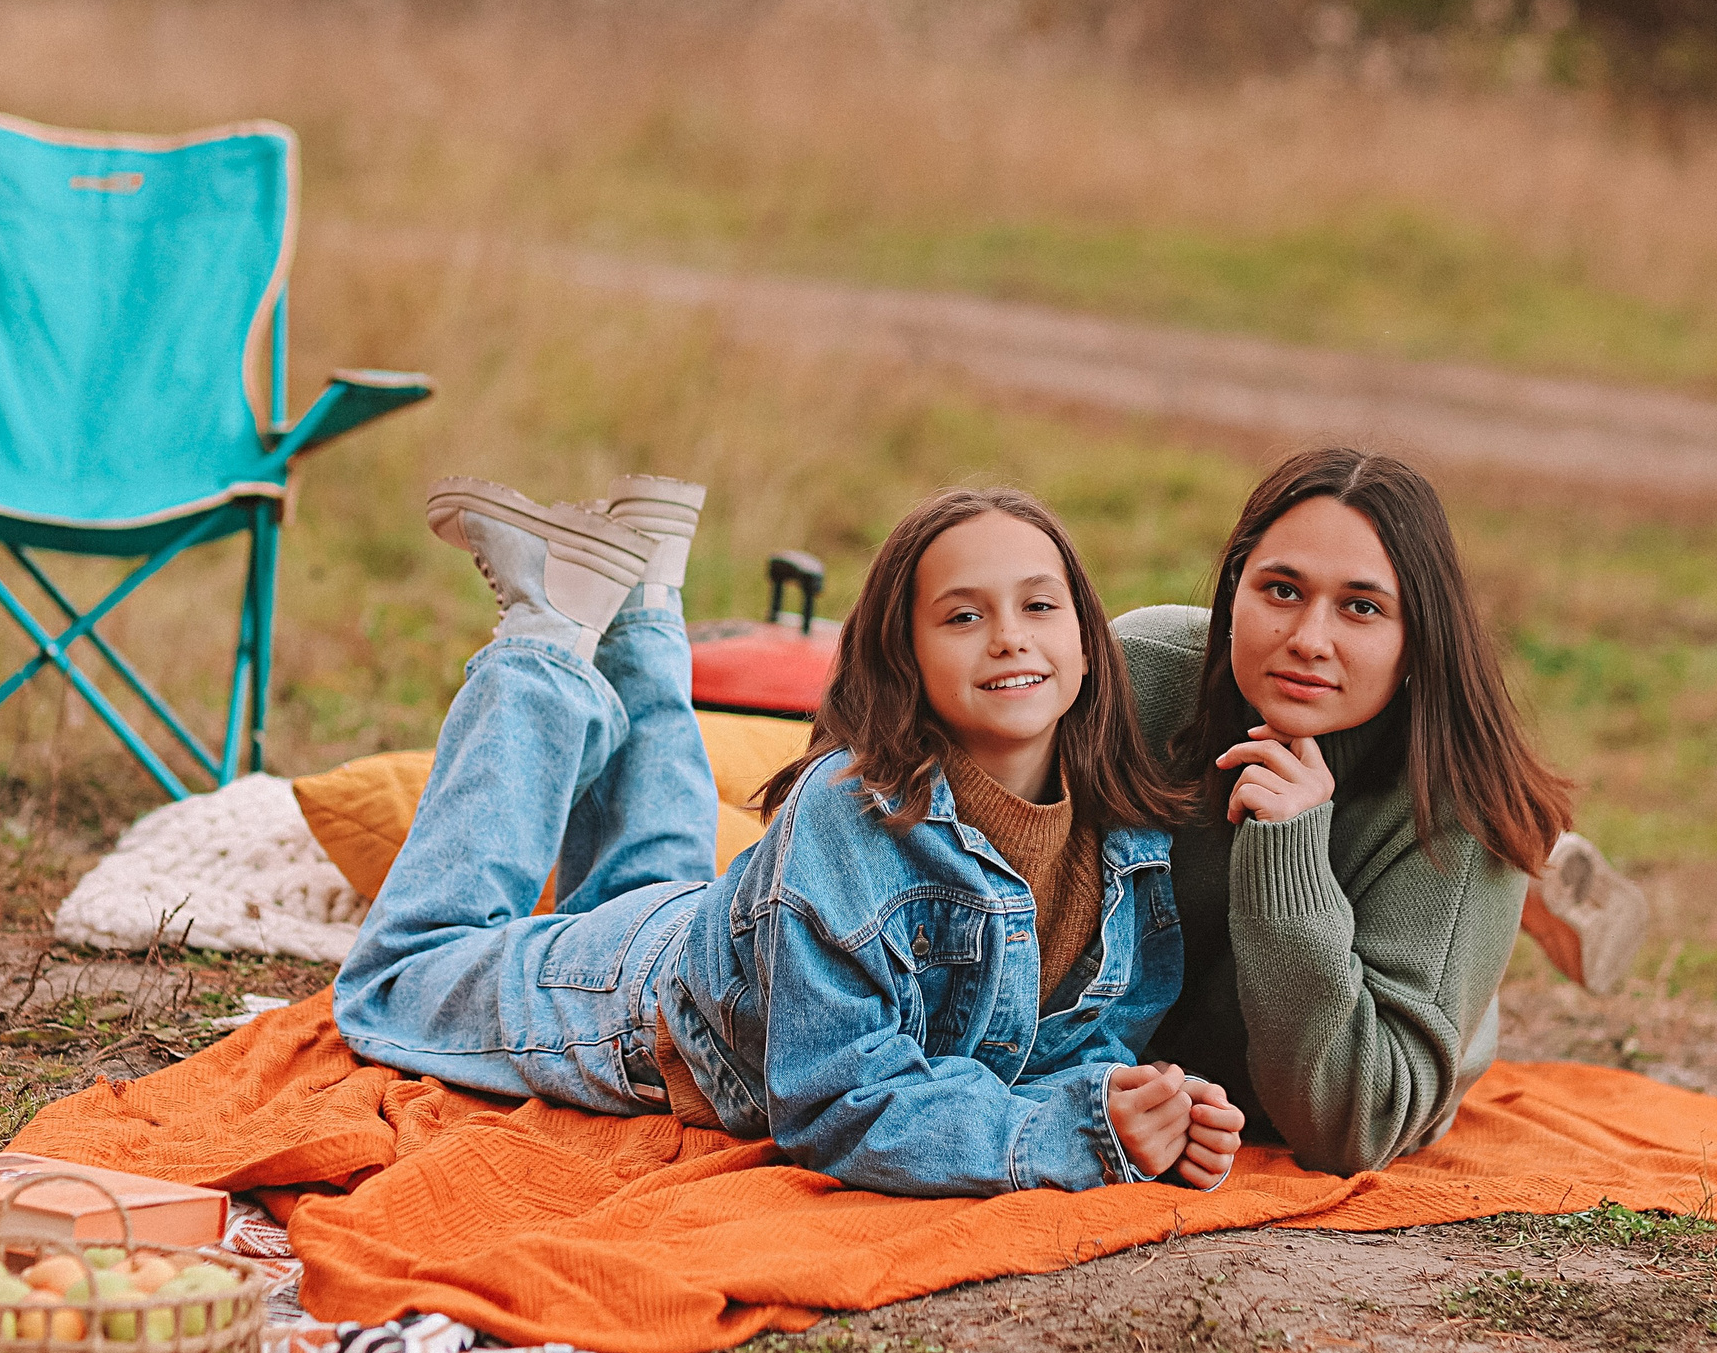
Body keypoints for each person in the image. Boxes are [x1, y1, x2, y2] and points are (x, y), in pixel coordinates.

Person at [336, 476, 1248, 1198]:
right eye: (964, 616)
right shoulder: (848, 815)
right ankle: (546, 640)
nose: (1010, 638)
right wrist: (1070, 1135)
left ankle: (643, 594)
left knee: (644, 878)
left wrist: (1135, 1104)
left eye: (1039, 607)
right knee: (392, 981)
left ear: (1091, 644)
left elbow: (1081, 1042)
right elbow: (837, 1102)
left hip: (726, 934)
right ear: (905, 655)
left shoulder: (1127, 825)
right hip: (632, 1006)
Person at [1113, 446, 1646, 1177]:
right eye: (1280, 590)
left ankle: (1531, 875)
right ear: (1234, 589)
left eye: (1361, 607)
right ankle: (1536, 878)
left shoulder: (1460, 808)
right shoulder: (1139, 670)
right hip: (1191, 1022)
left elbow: (1354, 1126)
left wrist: (1289, 851)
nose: (1308, 640)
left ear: (1416, 638)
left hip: (1390, 965)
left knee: (1482, 852)